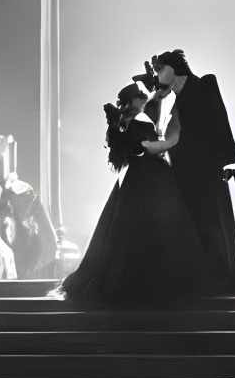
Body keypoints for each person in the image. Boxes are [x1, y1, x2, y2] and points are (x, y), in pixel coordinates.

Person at [58, 81, 210, 307]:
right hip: (148, 179)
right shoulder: (132, 125)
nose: (144, 99)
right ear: (132, 101)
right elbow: (153, 146)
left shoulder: (127, 122)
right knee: (148, 227)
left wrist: (159, 97)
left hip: (141, 178)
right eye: (140, 97)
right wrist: (173, 137)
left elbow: (150, 113)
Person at [141, 49, 235, 297]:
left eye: (160, 69)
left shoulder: (205, 84)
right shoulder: (171, 98)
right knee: (192, 224)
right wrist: (155, 93)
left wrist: (231, 158)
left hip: (207, 169)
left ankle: (223, 283)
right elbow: (158, 125)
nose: (157, 74)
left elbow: (222, 121)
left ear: (174, 68)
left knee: (213, 222)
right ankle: (202, 284)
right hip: (182, 170)